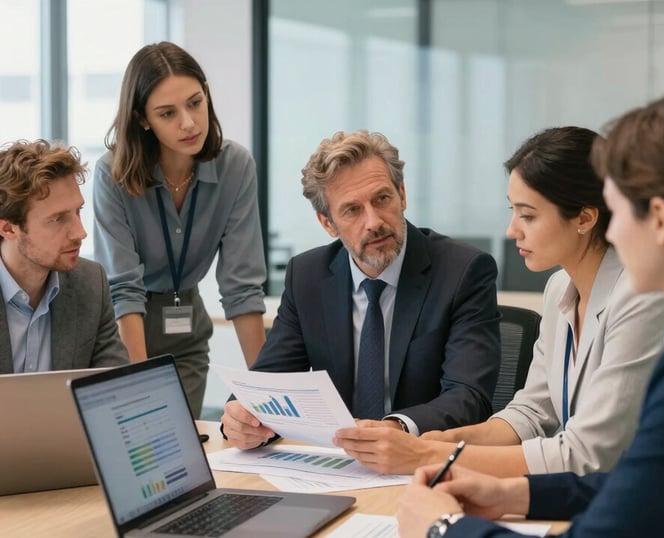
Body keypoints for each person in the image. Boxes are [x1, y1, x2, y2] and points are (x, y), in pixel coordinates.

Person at [397, 92, 664, 537]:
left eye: (617, 212)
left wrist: (443, 528)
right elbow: (652, 486)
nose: (611, 231)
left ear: (662, 220)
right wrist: (518, 495)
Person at [334, 126, 664, 475]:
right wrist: (437, 442)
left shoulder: (643, 297)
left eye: (528, 215)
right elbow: (531, 413)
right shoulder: (561, 287)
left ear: (585, 218)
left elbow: (586, 454)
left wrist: (426, 457)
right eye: (513, 211)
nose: (512, 229)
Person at [221, 129, 501, 452]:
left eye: (382, 199)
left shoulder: (462, 271)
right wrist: (241, 417)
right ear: (327, 223)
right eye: (352, 210)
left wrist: (395, 428)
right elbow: (268, 382)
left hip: (423, 462)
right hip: (338, 467)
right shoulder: (307, 277)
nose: (373, 222)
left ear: (402, 194)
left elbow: (469, 397)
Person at [92, 42, 267, 418]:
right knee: (139, 445)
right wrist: (138, 383)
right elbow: (123, 288)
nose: (188, 122)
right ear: (142, 119)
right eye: (167, 113)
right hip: (122, 335)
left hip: (187, 333)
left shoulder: (236, 166)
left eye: (195, 102)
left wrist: (268, 392)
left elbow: (242, 286)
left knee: (180, 453)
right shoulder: (112, 174)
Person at [0, 139, 128, 374]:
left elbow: (115, 389)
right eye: (58, 219)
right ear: (8, 229)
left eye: (78, 211)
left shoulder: (91, 283)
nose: (80, 232)